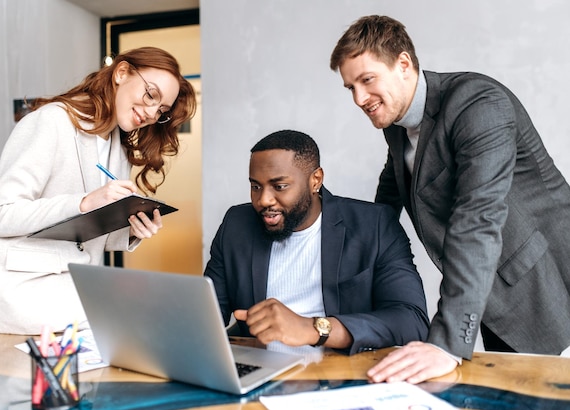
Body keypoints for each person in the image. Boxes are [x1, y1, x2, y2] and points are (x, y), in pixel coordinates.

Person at [330, 15, 570, 382]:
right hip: (485, 293)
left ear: (404, 64)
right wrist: (342, 251)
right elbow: (392, 188)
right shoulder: (398, 122)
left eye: (367, 80)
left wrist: (446, 343)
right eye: (351, 87)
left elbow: (479, 218)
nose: (360, 98)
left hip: (544, 289)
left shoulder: (478, 105)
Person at [0, 47, 197, 335]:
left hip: (73, 296)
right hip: (20, 297)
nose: (152, 113)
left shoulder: (119, 148)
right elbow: (1, 215)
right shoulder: (51, 121)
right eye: (151, 95)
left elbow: (82, 235)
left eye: (161, 110)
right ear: (122, 72)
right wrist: (84, 202)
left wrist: (131, 229)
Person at [204, 129, 429, 355]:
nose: (264, 200)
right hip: (258, 371)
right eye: (256, 186)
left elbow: (412, 321)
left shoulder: (374, 225)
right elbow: (206, 314)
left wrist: (313, 329)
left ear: (315, 180)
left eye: (279, 186)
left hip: (338, 374)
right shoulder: (236, 225)